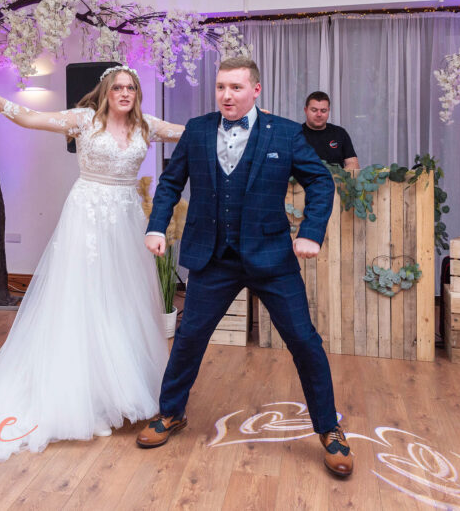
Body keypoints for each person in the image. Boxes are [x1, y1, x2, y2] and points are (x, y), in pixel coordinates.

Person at [0, 63, 184, 463]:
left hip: (127, 219)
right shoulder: (82, 120)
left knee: (120, 303)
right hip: (87, 218)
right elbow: (29, 118)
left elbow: (192, 133)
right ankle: (81, 399)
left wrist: (238, 117)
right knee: (83, 301)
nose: (125, 94)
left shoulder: (147, 125)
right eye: (118, 88)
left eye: (131, 88)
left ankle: (115, 392)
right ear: (106, 91)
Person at [137, 57, 355, 478]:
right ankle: (171, 412)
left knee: (305, 343)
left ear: (256, 90)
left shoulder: (288, 133)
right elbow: (169, 182)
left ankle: (329, 429)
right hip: (212, 258)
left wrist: (310, 231)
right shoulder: (197, 130)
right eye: (221, 87)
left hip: (272, 258)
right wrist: (157, 226)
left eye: (236, 88)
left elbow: (320, 181)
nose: (226, 95)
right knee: (189, 338)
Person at [301, 91, 359, 170]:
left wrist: (337, 178)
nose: (319, 114)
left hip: (337, 181)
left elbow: (353, 164)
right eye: (314, 110)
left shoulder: (340, 133)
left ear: (328, 111)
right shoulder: (295, 134)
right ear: (306, 110)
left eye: (323, 111)